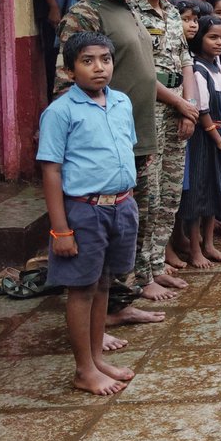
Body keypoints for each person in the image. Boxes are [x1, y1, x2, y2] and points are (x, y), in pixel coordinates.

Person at [56, 0, 161, 321]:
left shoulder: (129, 6)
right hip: (106, 146)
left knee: (134, 224)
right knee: (106, 232)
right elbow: (66, 85)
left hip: (137, 133)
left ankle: (120, 302)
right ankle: (107, 312)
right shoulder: (85, 15)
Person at [38, 31, 139, 396]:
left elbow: (125, 148)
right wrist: (60, 229)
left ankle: (97, 359)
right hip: (84, 212)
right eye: (88, 61)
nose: (99, 68)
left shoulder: (122, 102)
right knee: (81, 290)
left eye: (105, 59)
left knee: (102, 285)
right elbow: (51, 170)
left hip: (121, 206)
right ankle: (83, 369)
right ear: (69, 70)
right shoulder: (60, 112)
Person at [129, 0, 197, 296]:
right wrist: (181, 104)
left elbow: (186, 59)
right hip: (150, 110)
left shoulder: (171, 10)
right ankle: (140, 277)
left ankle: (157, 267)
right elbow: (140, 71)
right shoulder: (132, 12)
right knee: (148, 196)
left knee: (170, 196)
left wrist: (191, 106)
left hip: (177, 109)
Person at [179, 16, 221, 269]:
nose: (220, 43)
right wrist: (219, 140)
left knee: (215, 190)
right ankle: (194, 249)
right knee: (198, 194)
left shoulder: (218, 66)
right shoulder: (198, 70)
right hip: (204, 139)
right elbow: (203, 112)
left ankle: (210, 243)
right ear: (200, 38)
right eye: (213, 37)